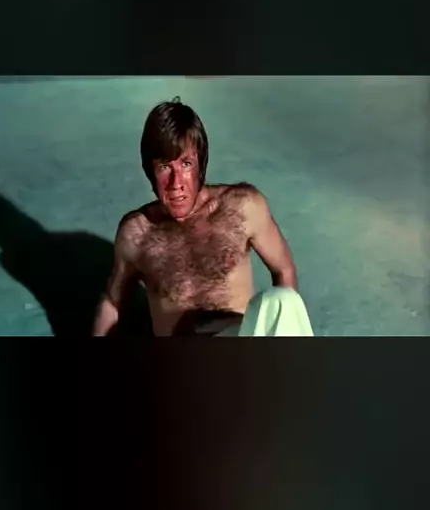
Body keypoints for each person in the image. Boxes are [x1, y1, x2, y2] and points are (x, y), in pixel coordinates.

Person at [93, 97, 307, 337]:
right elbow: (113, 302)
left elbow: (284, 270)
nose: (176, 183)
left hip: (241, 343)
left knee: (283, 300)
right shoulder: (137, 233)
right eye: (165, 167)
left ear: (200, 165)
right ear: (150, 172)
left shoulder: (242, 207)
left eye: (186, 164)